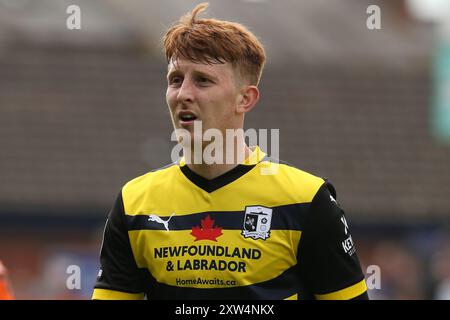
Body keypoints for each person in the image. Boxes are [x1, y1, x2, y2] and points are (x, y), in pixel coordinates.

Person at [92, 2, 368, 300]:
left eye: (203, 80)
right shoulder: (134, 203)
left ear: (244, 99)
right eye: (175, 80)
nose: (183, 93)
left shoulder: (307, 201)